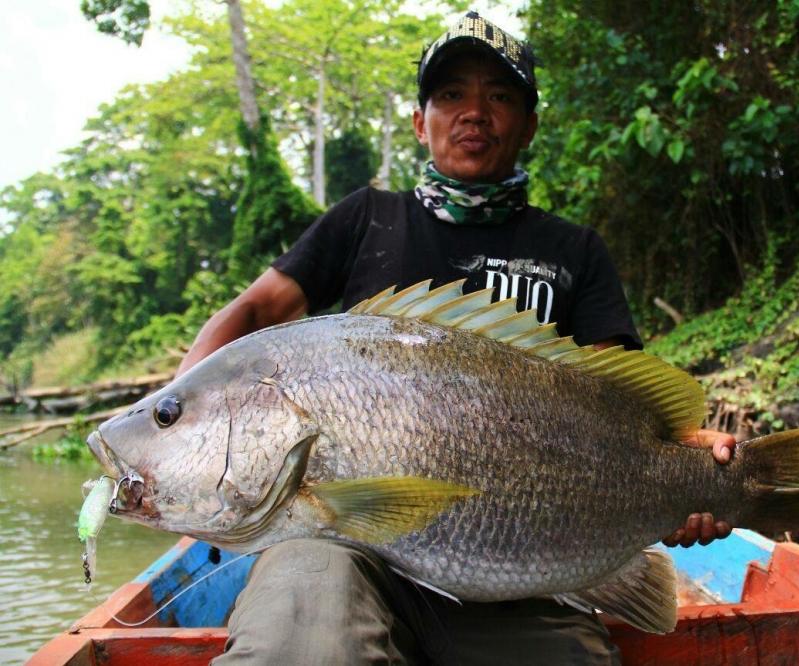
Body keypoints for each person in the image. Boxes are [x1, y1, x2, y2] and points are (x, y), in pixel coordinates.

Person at [180, 11, 735, 665]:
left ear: (528, 125)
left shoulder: (574, 250)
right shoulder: (365, 220)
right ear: (421, 121)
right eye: (451, 95)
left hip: (524, 567)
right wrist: (179, 417)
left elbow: (619, 403)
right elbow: (253, 316)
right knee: (302, 632)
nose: (474, 112)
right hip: (349, 551)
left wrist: (695, 476)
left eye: (499, 95)